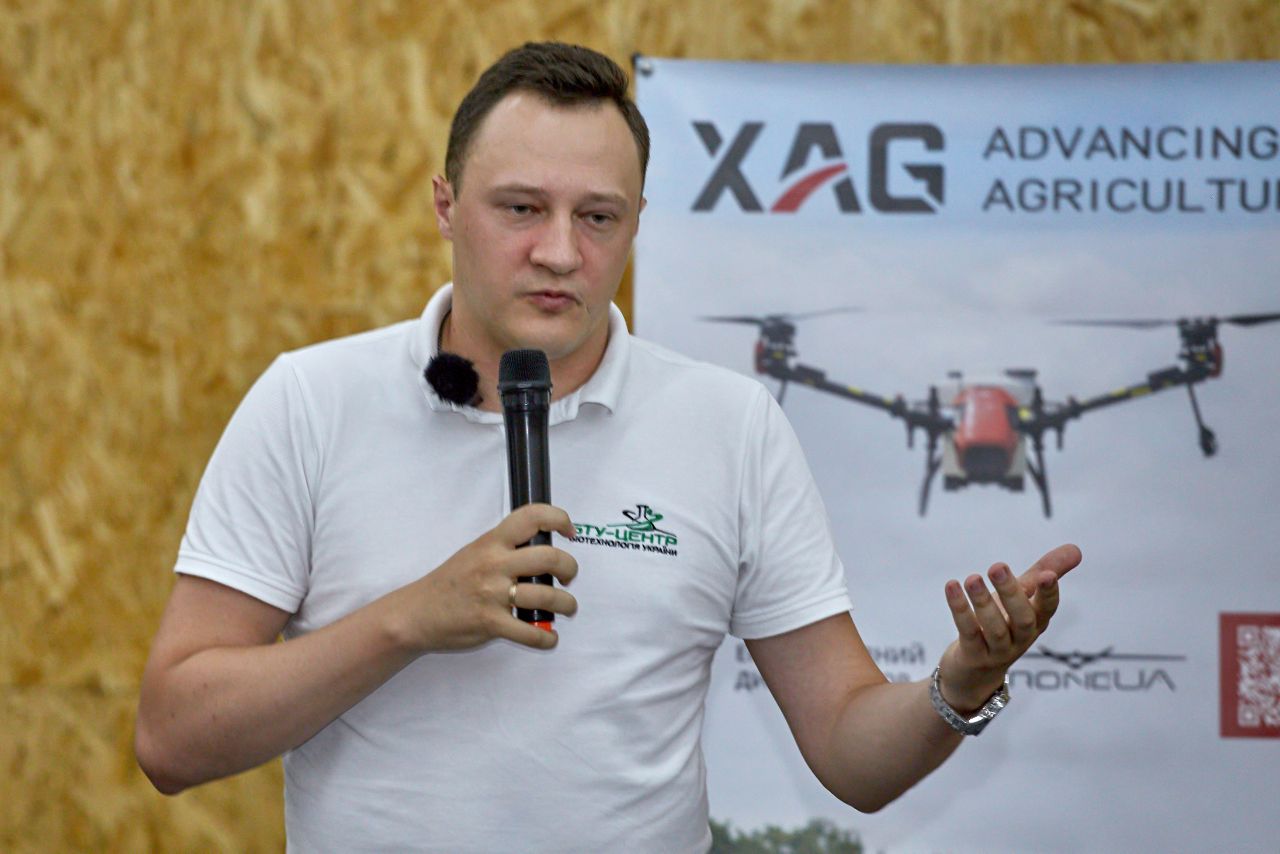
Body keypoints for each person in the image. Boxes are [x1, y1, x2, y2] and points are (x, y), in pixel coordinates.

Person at [135, 42, 1081, 852]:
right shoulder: (311, 401)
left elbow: (849, 750)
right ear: (445, 207)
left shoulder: (729, 425)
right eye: (520, 208)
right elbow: (173, 739)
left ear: (636, 223)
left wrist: (961, 685)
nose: (560, 252)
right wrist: (410, 620)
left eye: (597, 217)